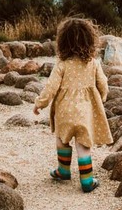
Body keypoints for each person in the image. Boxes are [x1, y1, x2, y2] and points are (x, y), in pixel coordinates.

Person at [33, 17, 112, 193]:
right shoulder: (93, 63)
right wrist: (103, 97)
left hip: (64, 111)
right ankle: (87, 181)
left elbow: (51, 88)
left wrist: (40, 104)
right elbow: (103, 83)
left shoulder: (61, 64)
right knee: (83, 145)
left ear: (63, 42)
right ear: (90, 40)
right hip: (86, 111)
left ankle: (63, 171)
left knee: (62, 139)